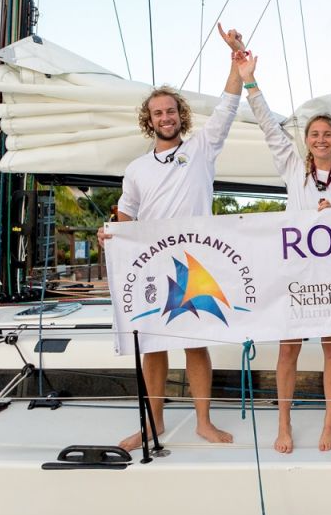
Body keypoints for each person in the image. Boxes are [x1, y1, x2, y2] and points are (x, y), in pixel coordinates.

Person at [98, 23, 245, 452]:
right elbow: (127, 215)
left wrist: (236, 57)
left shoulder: (201, 149)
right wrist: (112, 234)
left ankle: (203, 421)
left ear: (181, 115)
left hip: (196, 262)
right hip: (152, 265)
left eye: (172, 111)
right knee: (153, 346)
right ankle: (154, 423)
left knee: (195, 345)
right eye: (158, 113)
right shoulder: (137, 169)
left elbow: (228, 106)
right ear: (150, 120)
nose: (166, 117)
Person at [239, 53, 331, 453]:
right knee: (288, 349)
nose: (321, 140)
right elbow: (268, 127)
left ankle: (329, 424)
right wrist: (250, 82)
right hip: (295, 274)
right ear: (307, 140)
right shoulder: (294, 169)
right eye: (315, 135)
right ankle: (284, 424)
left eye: (328, 134)